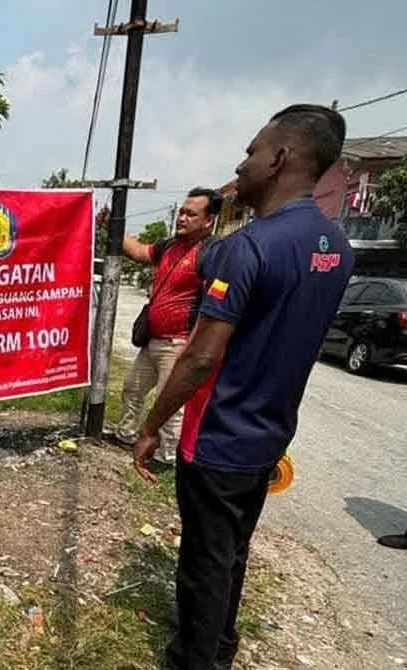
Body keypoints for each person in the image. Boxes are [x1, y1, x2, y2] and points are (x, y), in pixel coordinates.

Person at [133, 104, 353, 669]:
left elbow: (201, 356)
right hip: (270, 434)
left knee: (205, 560)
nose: (243, 162)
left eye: (252, 150)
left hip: (218, 437)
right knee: (232, 551)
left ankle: (195, 658)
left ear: (280, 158)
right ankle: (223, 646)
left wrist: (153, 425)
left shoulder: (248, 247)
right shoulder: (337, 248)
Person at [113, 188, 222, 466]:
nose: (182, 218)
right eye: (181, 212)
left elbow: (214, 303)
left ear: (208, 221)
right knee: (133, 388)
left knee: (170, 404)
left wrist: (194, 345)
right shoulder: (169, 246)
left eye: (191, 214)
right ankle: (125, 436)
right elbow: (138, 251)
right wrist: (111, 223)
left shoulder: (211, 254)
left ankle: (166, 457)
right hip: (153, 340)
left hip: (179, 344)